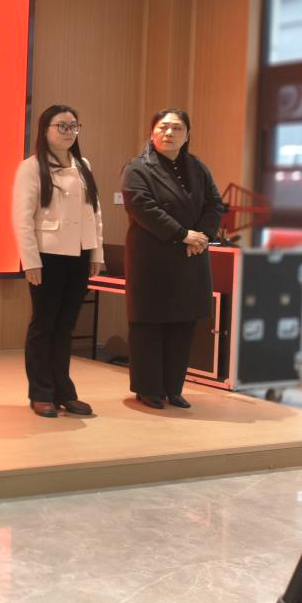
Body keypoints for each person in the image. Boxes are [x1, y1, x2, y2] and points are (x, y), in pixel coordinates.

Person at [121, 108, 225, 409]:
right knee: (150, 324)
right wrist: (182, 234)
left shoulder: (198, 167)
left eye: (177, 128)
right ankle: (149, 389)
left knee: (183, 324)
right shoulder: (137, 167)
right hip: (152, 258)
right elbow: (142, 208)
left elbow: (215, 204)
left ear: (187, 134)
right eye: (163, 127)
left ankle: (173, 387)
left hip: (191, 256)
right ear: (152, 132)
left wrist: (201, 236)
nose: (169, 133)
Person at [11, 105, 104, 418]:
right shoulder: (31, 167)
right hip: (47, 256)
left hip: (79, 254)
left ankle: (64, 391)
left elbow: (94, 213)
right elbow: (22, 218)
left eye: (73, 126)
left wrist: (96, 253)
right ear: (45, 129)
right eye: (61, 126)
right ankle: (41, 392)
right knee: (44, 325)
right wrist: (30, 261)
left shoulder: (83, 165)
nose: (68, 132)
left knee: (66, 326)